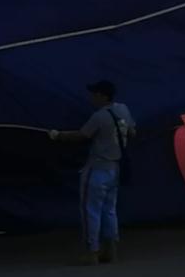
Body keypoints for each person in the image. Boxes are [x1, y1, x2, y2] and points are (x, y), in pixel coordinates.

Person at [49, 81, 135, 264]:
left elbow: (83, 135)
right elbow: (132, 132)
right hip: (116, 167)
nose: (92, 98)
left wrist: (58, 135)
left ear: (103, 96)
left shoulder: (100, 116)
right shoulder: (124, 110)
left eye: (95, 94)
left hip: (97, 168)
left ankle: (91, 252)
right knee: (110, 211)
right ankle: (110, 250)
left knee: (91, 211)